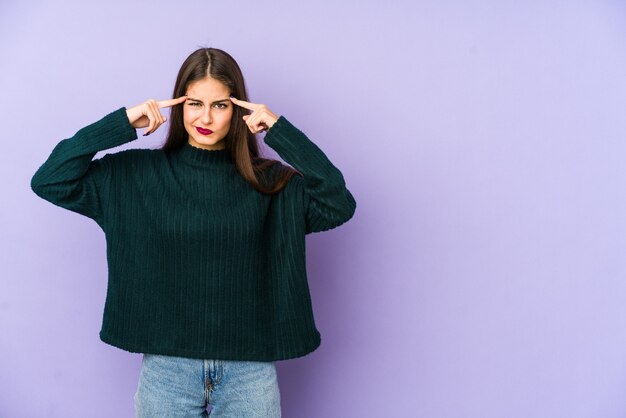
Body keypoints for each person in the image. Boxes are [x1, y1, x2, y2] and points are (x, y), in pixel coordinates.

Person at [30, 47, 356, 417]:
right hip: (166, 371)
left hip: (249, 373)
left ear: (238, 110)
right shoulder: (134, 175)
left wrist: (280, 131)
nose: (205, 117)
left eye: (220, 105)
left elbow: (337, 203)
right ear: (178, 105)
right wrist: (121, 123)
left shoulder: (271, 182)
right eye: (194, 103)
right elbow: (51, 180)